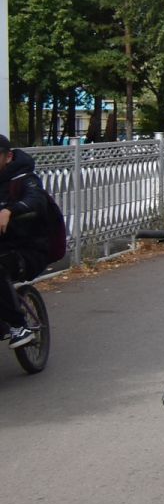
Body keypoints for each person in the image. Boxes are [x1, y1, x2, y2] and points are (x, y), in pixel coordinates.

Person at [0, 137, 55, 350]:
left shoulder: (24, 178)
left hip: (27, 250)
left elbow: (36, 200)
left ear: (9, 156)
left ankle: (18, 325)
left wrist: (11, 210)